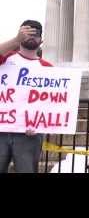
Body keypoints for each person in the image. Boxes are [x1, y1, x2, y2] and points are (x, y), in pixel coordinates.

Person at [0, 20, 53, 173]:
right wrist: (16, 40)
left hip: (29, 135)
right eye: (26, 33)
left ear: (41, 40)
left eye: (35, 34)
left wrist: (40, 125)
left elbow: (53, 104)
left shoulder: (48, 68)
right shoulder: (6, 59)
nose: (31, 37)